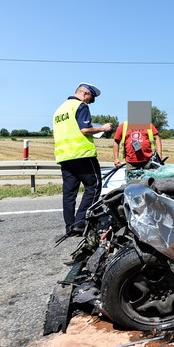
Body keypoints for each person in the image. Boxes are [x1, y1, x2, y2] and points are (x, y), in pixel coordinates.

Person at [52, 82, 112, 236]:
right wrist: (103, 128)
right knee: (94, 186)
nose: (91, 101)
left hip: (64, 156)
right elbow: (85, 129)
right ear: (85, 94)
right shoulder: (80, 106)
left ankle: (70, 226)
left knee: (69, 193)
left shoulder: (59, 110)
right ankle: (80, 223)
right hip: (82, 154)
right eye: (91, 98)